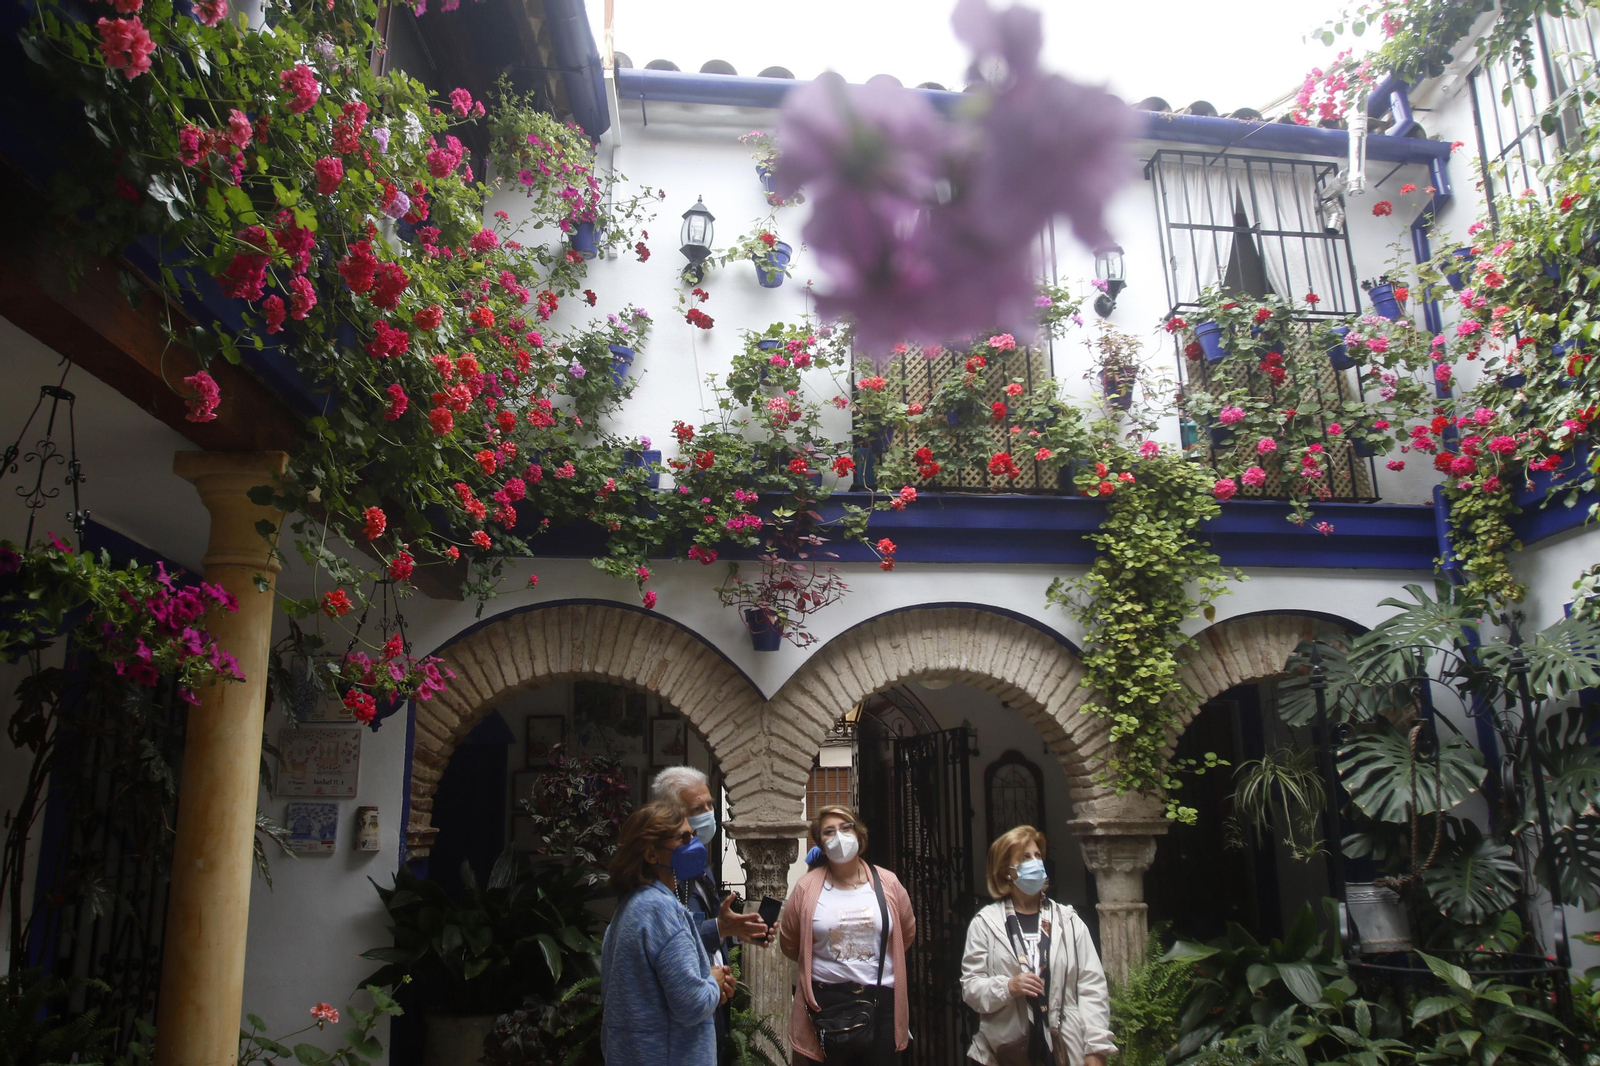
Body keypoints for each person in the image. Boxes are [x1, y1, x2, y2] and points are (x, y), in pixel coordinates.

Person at [959, 826, 1115, 1066]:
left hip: (1064, 1050)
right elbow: (971, 988)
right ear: (1006, 871)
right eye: (1025, 857)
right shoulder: (985, 924)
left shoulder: (1068, 921)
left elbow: (1091, 986)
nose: (1035, 862)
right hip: (1005, 1053)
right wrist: (1008, 987)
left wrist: (1095, 1050)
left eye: (1037, 855)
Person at [601, 801, 737, 1066]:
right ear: (652, 854)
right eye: (683, 838)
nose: (693, 844)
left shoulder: (632, 905)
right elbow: (692, 1005)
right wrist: (713, 981)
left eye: (693, 835)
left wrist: (705, 983)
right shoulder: (660, 909)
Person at [778, 805, 916, 1065]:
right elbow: (790, 942)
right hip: (827, 1005)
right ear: (820, 843)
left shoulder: (888, 883)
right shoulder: (806, 888)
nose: (838, 837)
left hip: (880, 1002)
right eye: (829, 832)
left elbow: (905, 933)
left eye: (845, 828)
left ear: (859, 834)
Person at [651, 766, 771, 1066]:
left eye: (710, 805)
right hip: (678, 1022)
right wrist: (720, 928)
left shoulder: (698, 862)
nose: (708, 814)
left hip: (710, 1004)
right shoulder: (655, 884)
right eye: (697, 808)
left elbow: (708, 925)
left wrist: (735, 932)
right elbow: (675, 939)